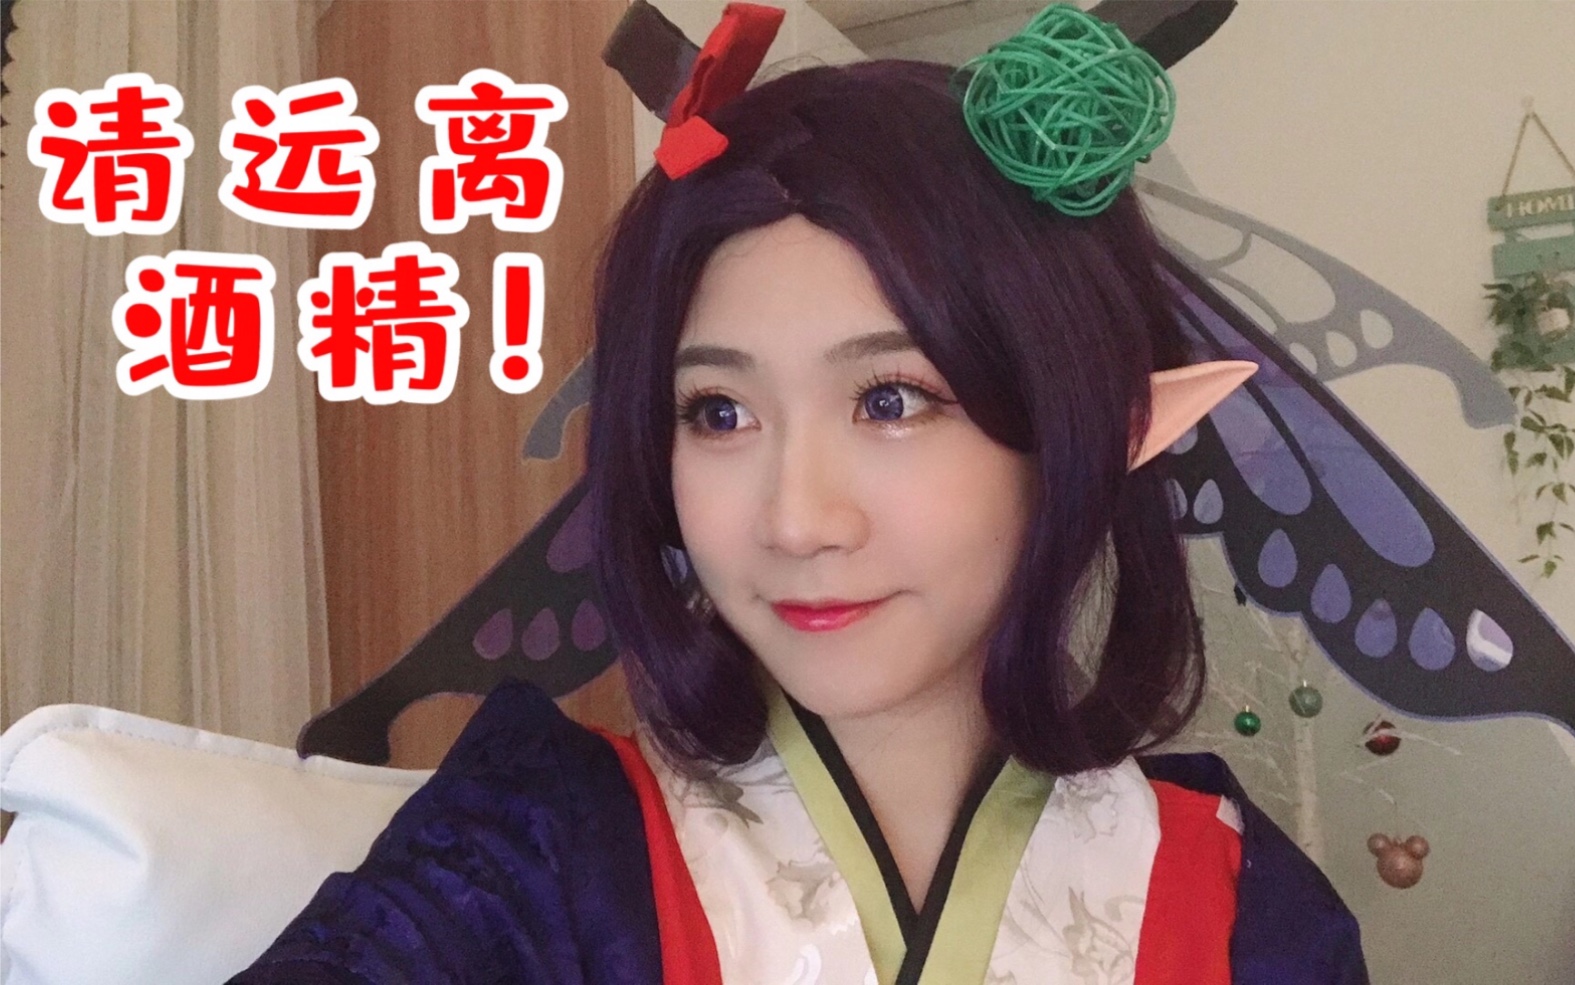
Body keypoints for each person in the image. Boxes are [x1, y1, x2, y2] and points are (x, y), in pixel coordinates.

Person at [233, 4, 1368, 983]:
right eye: (718, 413)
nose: (795, 521)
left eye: (890, 400)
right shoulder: (526, 846)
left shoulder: (1240, 902)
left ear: (1076, 425)